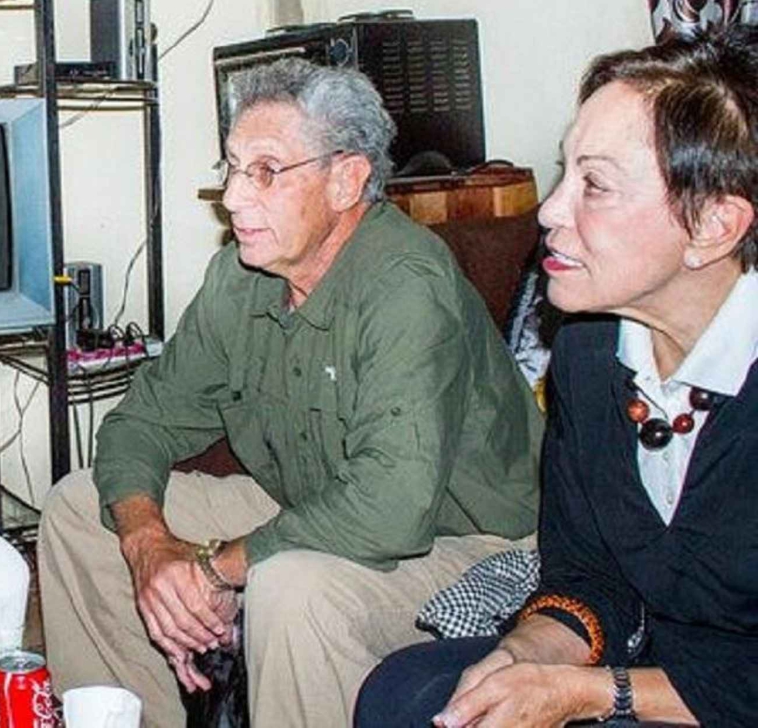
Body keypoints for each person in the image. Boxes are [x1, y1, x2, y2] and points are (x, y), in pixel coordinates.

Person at [38, 58, 542, 727]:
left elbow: (389, 505)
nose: (234, 198)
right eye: (231, 168)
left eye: (266, 171)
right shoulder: (240, 277)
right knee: (81, 508)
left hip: (470, 543)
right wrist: (148, 545)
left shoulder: (406, 286)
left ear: (346, 179)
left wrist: (219, 570)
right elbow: (141, 422)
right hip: (313, 501)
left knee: (292, 585)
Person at [355, 26, 758, 727]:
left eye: (594, 184)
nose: (549, 211)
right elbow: (588, 574)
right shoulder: (590, 354)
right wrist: (526, 652)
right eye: (564, 170)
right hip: (656, 665)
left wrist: (590, 693)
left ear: (714, 225)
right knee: (405, 692)